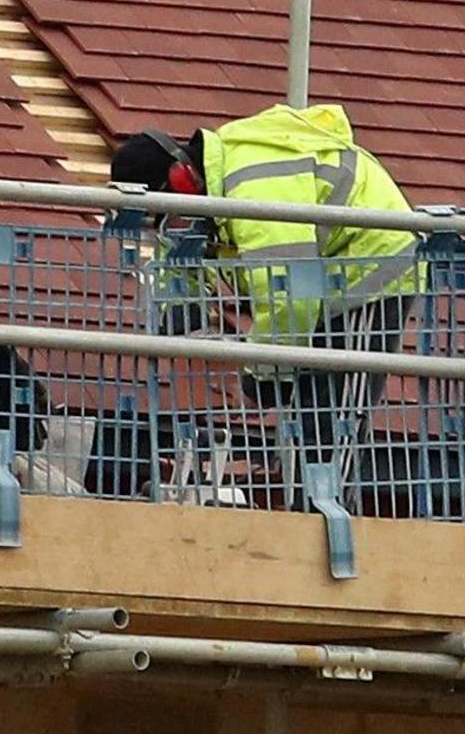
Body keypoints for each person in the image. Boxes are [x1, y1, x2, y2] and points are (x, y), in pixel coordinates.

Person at [109, 104, 426, 510]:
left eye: (165, 214)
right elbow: (188, 260)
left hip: (371, 269)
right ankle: (304, 507)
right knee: (305, 410)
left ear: (182, 181)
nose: (169, 226)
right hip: (324, 276)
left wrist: (261, 370)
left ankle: (323, 515)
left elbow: (288, 292)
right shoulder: (213, 192)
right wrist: (179, 326)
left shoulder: (252, 183)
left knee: (332, 406)